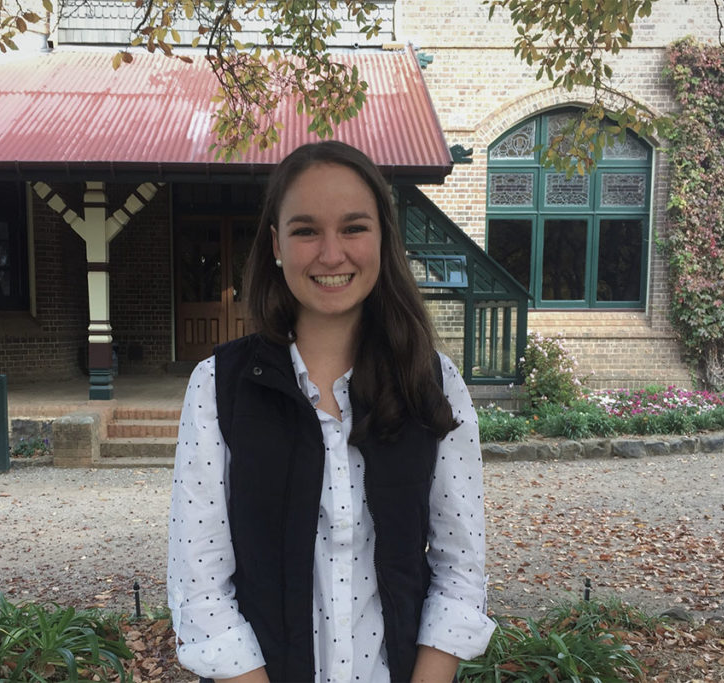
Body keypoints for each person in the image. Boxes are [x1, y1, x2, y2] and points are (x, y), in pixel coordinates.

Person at [167, 140, 494, 683]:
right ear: (276, 244)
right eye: (305, 230)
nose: (331, 253)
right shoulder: (218, 388)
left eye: (353, 227)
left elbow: (460, 567)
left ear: (383, 238)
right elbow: (200, 583)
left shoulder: (433, 385)